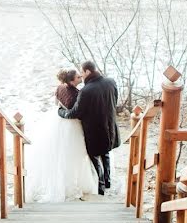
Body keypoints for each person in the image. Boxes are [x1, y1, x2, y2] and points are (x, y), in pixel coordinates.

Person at [24, 69, 98, 202]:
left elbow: (56, 103)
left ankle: (61, 183)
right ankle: (70, 185)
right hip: (71, 126)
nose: (80, 77)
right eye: (77, 77)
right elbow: (76, 111)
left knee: (58, 154)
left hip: (57, 122)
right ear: (71, 81)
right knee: (73, 156)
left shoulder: (59, 87)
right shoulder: (77, 94)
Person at [58, 61, 120, 195]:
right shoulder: (111, 81)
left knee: (95, 157)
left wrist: (61, 112)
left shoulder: (86, 91)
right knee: (106, 153)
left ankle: (101, 187)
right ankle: (107, 182)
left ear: (87, 72)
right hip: (110, 127)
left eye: (82, 72)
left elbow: (75, 113)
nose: (81, 74)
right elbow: (115, 101)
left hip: (94, 130)